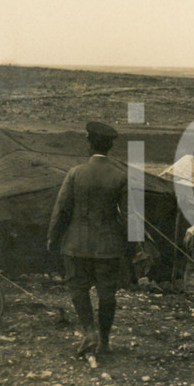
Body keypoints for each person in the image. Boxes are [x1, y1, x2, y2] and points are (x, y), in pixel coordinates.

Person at [47, 122, 127, 357]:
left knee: (78, 289)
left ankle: (89, 332)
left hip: (76, 244)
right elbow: (130, 216)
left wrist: (53, 236)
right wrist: (135, 246)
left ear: (90, 144)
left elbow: (61, 209)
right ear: (110, 146)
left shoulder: (75, 173)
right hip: (108, 246)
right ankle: (104, 342)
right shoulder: (121, 176)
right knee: (107, 294)